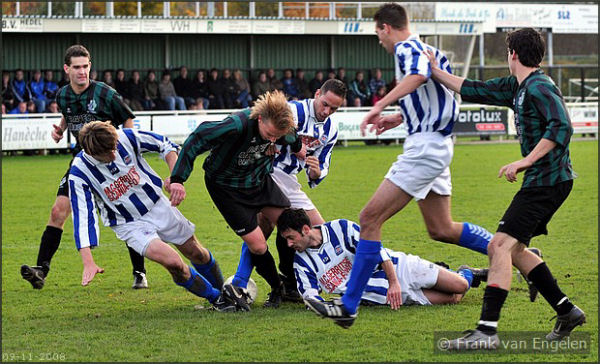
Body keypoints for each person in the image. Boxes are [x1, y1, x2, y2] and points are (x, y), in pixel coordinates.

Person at [304, 3, 494, 329]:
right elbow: (440, 96)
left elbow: (419, 76)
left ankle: (348, 306)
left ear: (385, 28)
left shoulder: (406, 48)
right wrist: (399, 117)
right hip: (436, 143)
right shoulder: (430, 48)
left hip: (425, 148)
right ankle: (513, 252)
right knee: (441, 228)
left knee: (369, 219)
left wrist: (381, 104)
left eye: (378, 35)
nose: (380, 41)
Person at [423, 28, 585, 349]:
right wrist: (434, 71)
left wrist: (525, 161)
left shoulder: (539, 87)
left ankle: (486, 332)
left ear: (513, 54)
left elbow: (562, 126)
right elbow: (474, 88)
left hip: (547, 181)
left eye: (507, 50)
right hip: (544, 182)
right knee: (517, 250)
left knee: (498, 247)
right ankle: (567, 312)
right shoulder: (517, 86)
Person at [20, 45, 150, 290]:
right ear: (67, 69)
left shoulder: (105, 93)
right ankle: (41, 270)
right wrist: (60, 129)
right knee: (58, 211)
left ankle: (139, 272)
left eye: (86, 66)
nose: (82, 72)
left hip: (109, 164)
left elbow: (128, 118)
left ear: (90, 66)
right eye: (77, 67)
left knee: (126, 215)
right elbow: (69, 115)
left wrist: (129, 152)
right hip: (80, 164)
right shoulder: (63, 95)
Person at [68, 121, 236, 311]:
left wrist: (175, 178)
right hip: (129, 224)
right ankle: (217, 300)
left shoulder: (126, 137)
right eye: (107, 154)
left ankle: (225, 293)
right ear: (91, 153)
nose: (114, 154)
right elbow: (83, 216)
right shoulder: (79, 173)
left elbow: (164, 144)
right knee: (174, 263)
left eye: (114, 148)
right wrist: (88, 262)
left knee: (197, 252)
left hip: (158, 205)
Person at [168, 90, 303, 311]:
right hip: (226, 188)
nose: (272, 139)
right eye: (269, 134)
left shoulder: (281, 129)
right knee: (258, 246)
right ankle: (277, 287)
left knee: (290, 225)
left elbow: (292, 137)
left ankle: (291, 283)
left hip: (258, 180)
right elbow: (198, 137)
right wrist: (178, 179)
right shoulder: (237, 124)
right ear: (260, 118)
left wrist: (299, 149)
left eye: (276, 137)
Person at [229, 79, 347, 304]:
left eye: (334, 108)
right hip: (265, 172)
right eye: (325, 104)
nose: (327, 111)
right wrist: (263, 145)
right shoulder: (292, 110)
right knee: (267, 225)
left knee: (317, 231)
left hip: (290, 181)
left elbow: (322, 165)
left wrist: (315, 172)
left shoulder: (331, 129)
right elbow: (253, 120)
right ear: (317, 93)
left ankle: (291, 284)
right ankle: (242, 284)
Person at [278, 208, 487, 307]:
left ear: (305, 229)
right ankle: (449, 272)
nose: (289, 244)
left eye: (290, 237)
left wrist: (394, 281)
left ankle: (466, 272)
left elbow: (377, 249)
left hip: (401, 268)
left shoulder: (340, 228)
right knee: (451, 299)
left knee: (459, 286)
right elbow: (309, 295)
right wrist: (329, 306)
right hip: (385, 295)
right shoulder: (302, 263)